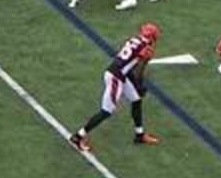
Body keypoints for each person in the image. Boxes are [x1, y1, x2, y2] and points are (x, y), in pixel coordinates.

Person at [68, 23, 162, 152]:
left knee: (136, 99)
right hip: (116, 77)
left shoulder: (134, 40)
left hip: (119, 74)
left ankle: (139, 135)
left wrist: (136, 86)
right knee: (106, 111)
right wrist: (139, 81)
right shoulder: (144, 48)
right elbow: (136, 69)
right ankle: (78, 137)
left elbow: (127, 66)